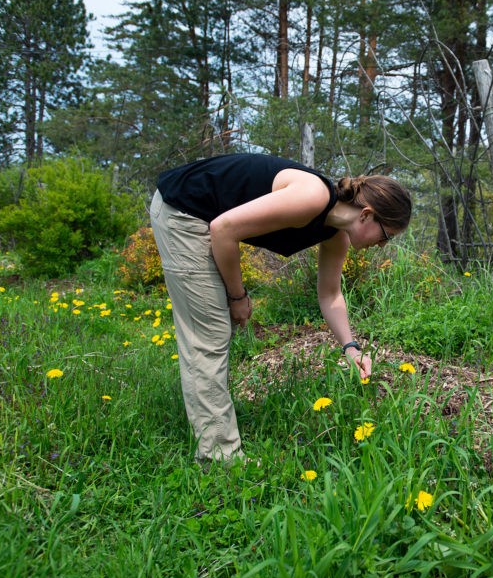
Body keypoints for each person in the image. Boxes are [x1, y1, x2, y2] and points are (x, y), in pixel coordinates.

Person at [149, 153, 412, 465]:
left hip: (204, 217)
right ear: (367, 215)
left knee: (214, 328)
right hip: (184, 211)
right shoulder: (312, 197)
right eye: (387, 236)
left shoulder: (335, 234)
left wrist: (351, 348)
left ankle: (211, 426)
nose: (383, 246)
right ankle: (220, 459)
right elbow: (223, 230)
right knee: (210, 332)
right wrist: (238, 297)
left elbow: (330, 295)